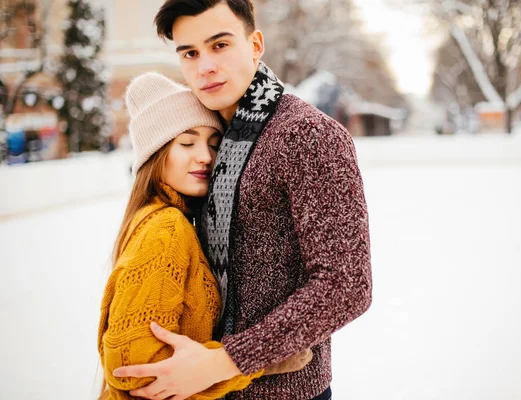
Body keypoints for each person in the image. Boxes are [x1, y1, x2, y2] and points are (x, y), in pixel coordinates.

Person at [112, 1, 373, 399]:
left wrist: (225, 361)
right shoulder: (213, 134)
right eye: (190, 53)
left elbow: (346, 285)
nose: (205, 67)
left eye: (220, 45)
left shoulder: (305, 135)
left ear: (255, 44)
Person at [98, 72, 312, 400]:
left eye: (214, 144)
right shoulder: (166, 229)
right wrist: (257, 363)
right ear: (155, 153)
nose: (206, 156)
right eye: (187, 142)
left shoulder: (164, 219)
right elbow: (133, 366)